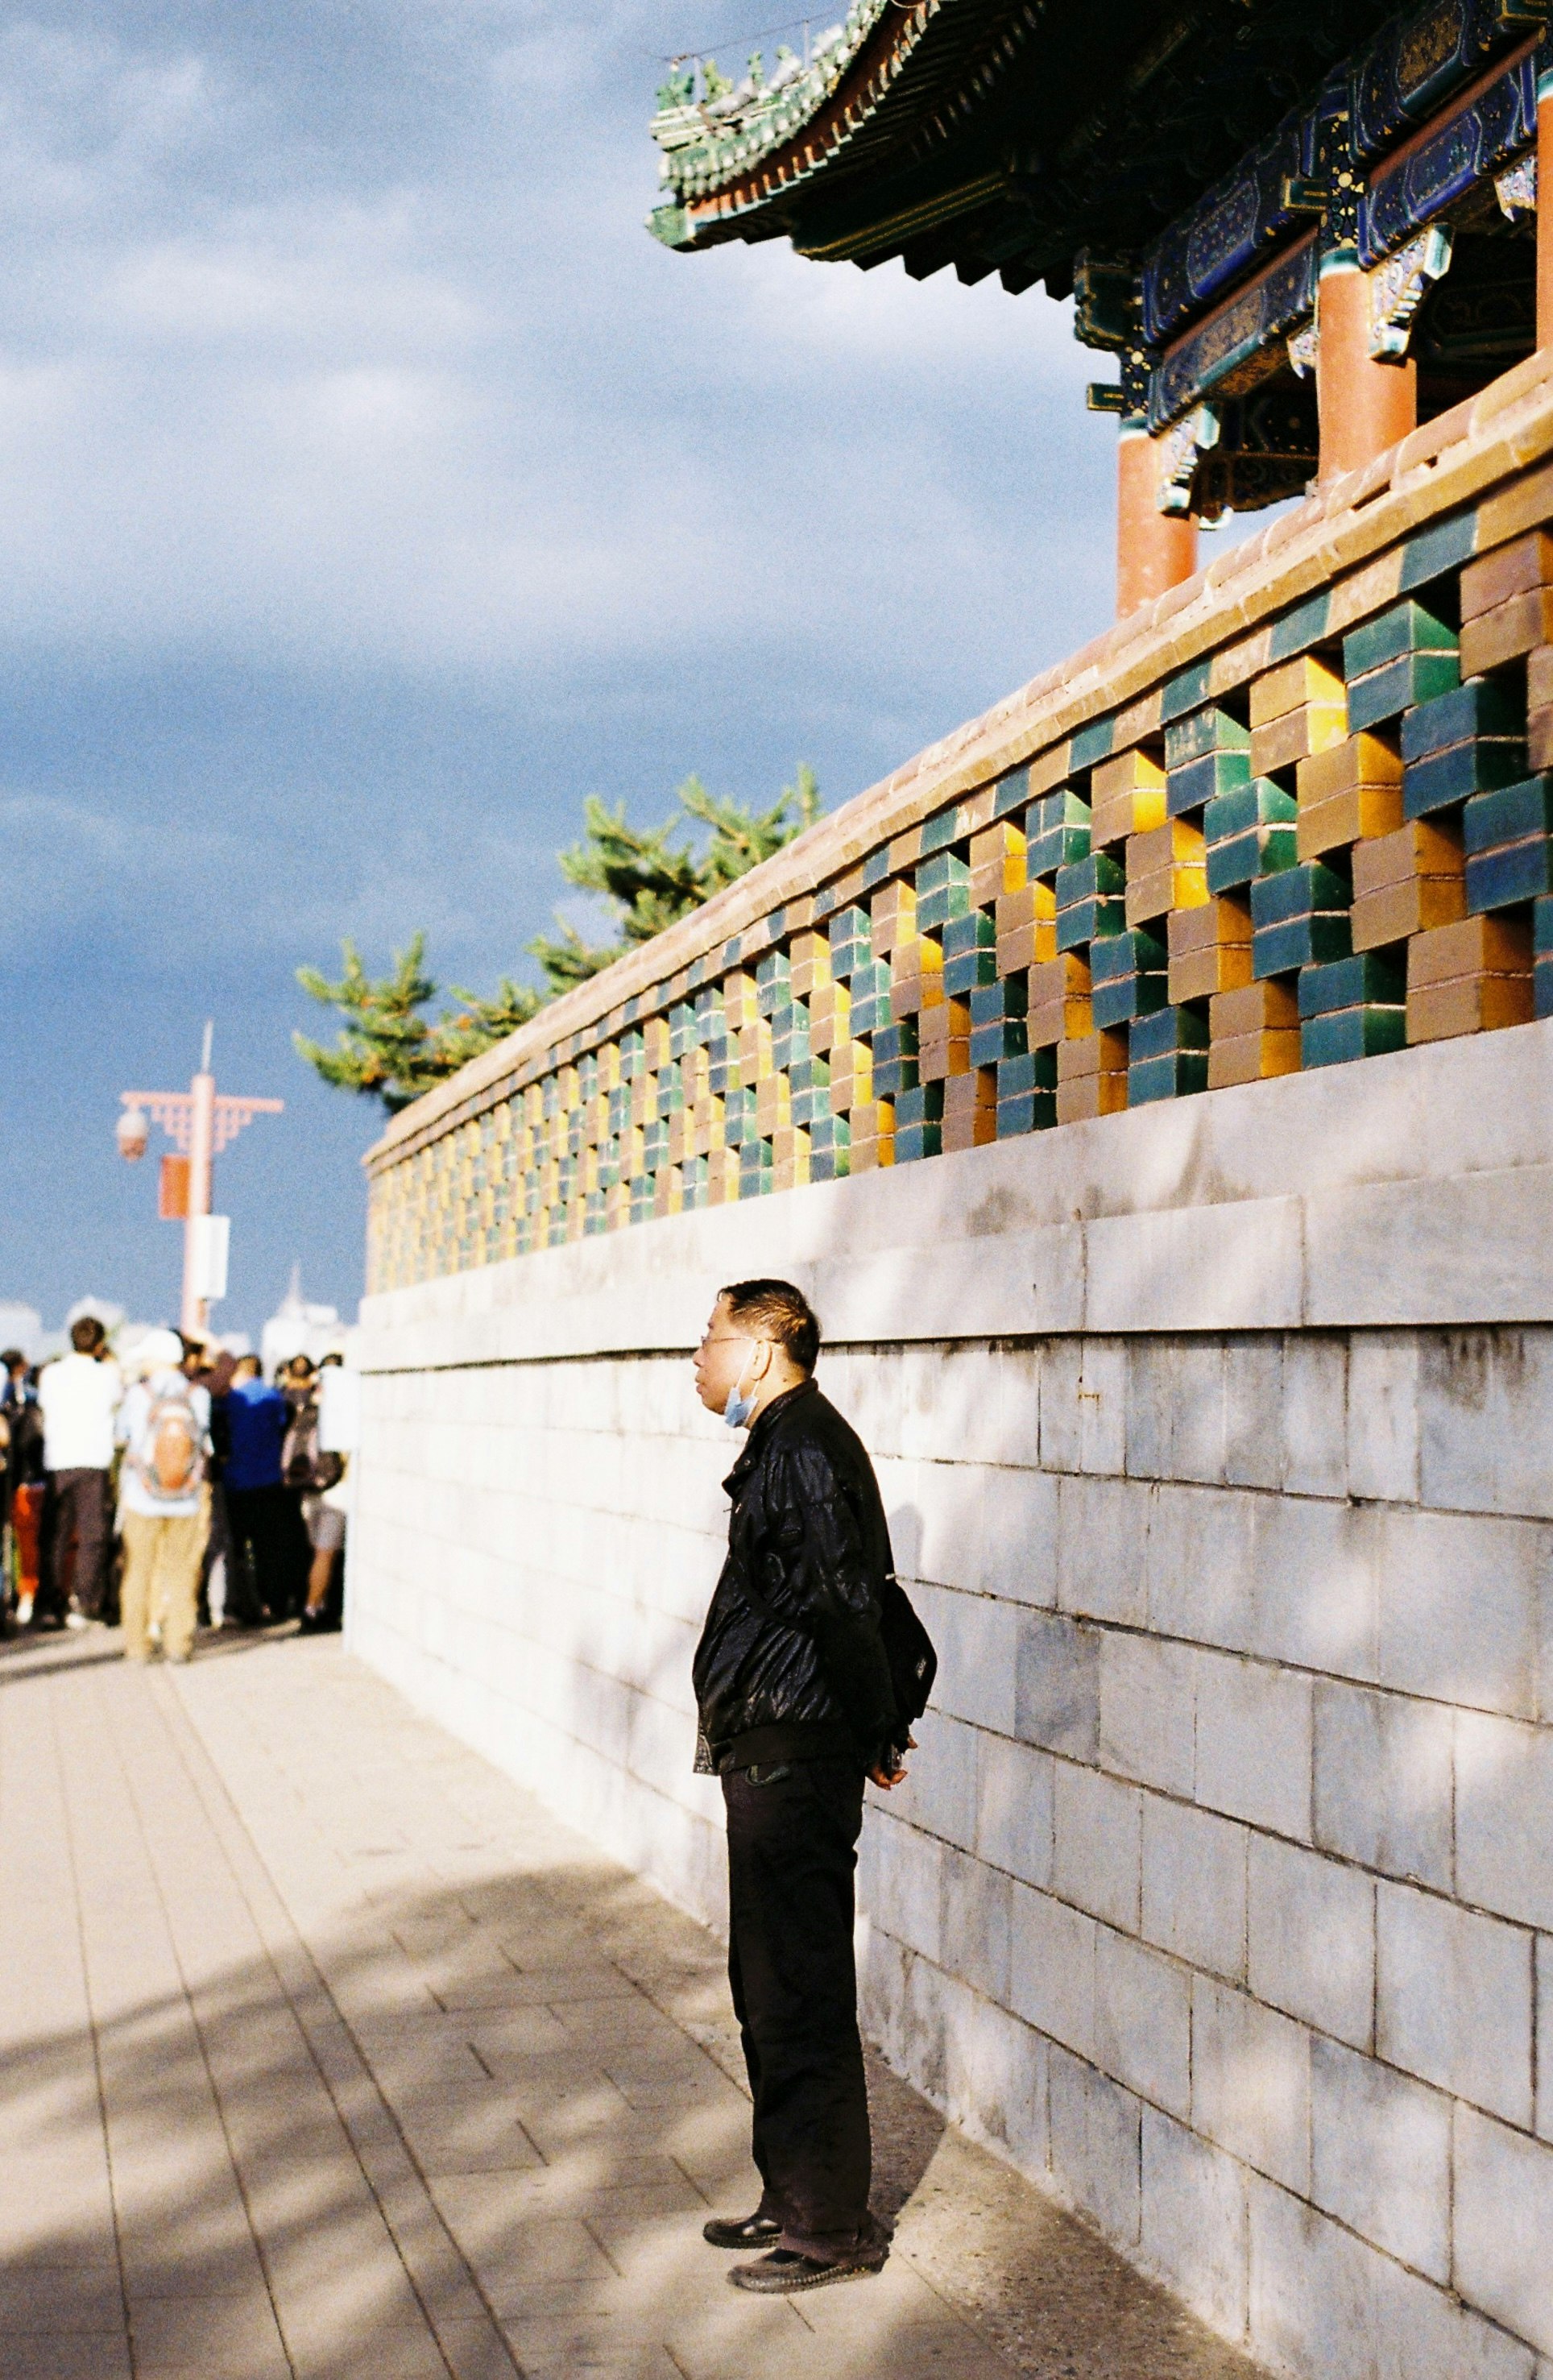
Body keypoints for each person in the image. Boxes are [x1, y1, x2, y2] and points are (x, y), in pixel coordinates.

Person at [690, 1278, 906, 2295]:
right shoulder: (782, 1442)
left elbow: (839, 1602)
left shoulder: (805, 1449)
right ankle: (791, 2191)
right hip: (770, 1745)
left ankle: (830, 2227)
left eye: (710, 1337)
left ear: (765, 1347)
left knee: (802, 1982)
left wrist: (875, 1728)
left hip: (800, 1747)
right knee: (766, 1980)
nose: (697, 1358)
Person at [116, 1329, 211, 1664]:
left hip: (142, 1495)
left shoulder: (137, 1394)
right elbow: (202, 1442)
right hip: (185, 1498)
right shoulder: (198, 1395)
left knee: (139, 1570)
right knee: (182, 1572)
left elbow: (122, 1435)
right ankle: (178, 1644)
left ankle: (137, 1647)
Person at [37, 1316, 122, 1628]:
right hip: (93, 1459)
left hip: (58, 1458)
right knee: (93, 1536)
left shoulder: (51, 1374)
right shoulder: (108, 1375)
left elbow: (45, 1406)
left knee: (55, 1535)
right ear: (100, 1344)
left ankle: (49, 1602)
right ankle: (85, 1602)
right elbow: (118, 1402)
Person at [217, 1355, 298, 1621]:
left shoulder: (231, 1400)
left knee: (236, 1547)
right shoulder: (274, 1398)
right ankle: (273, 1602)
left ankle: (240, 1604)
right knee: (268, 1548)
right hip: (269, 1480)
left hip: (236, 1482)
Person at [282, 1356, 347, 1633]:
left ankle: (315, 1604)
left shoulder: (306, 1409)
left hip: (307, 1490)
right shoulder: (341, 1412)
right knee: (326, 1554)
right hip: (335, 1490)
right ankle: (312, 1610)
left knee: (315, 1552)